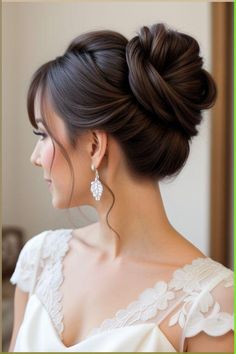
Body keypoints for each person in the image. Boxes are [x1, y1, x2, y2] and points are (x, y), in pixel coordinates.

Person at [8, 23, 233, 352]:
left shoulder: (211, 306)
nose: (35, 157)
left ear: (95, 145)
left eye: (43, 135)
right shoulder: (39, 260)